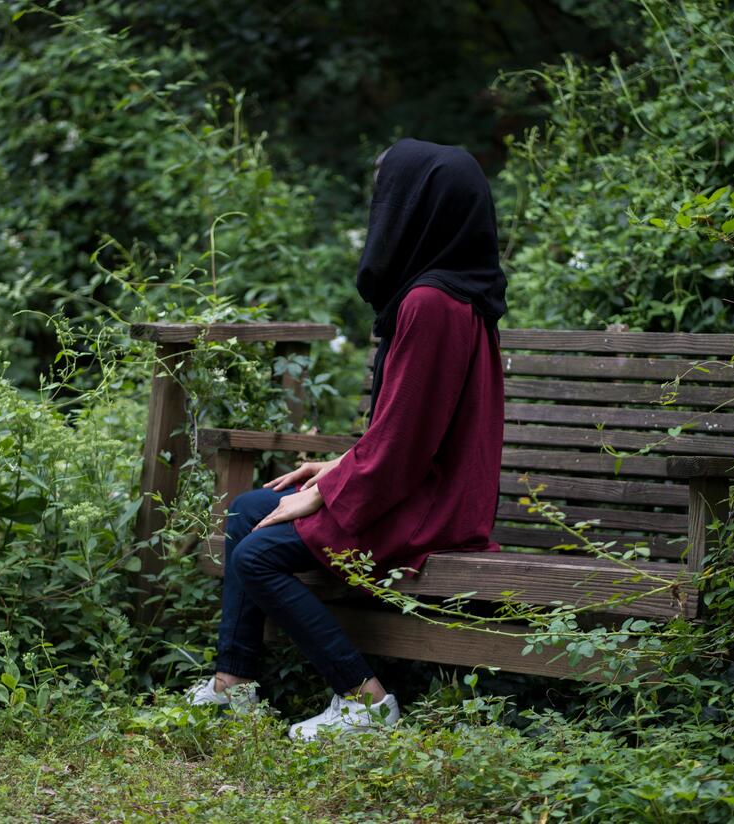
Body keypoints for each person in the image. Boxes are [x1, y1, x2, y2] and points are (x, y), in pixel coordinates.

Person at [185, 138, 508, 740]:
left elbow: (408, 446)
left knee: (258, 552)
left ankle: (364, 699)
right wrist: (336, 467)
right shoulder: (459, 292)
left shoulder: (432, 303)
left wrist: (327, 493)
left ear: (416, 208)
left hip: (429, 509)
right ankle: (236, 684)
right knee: (245, 511)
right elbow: (419, 430)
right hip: (421, 487)